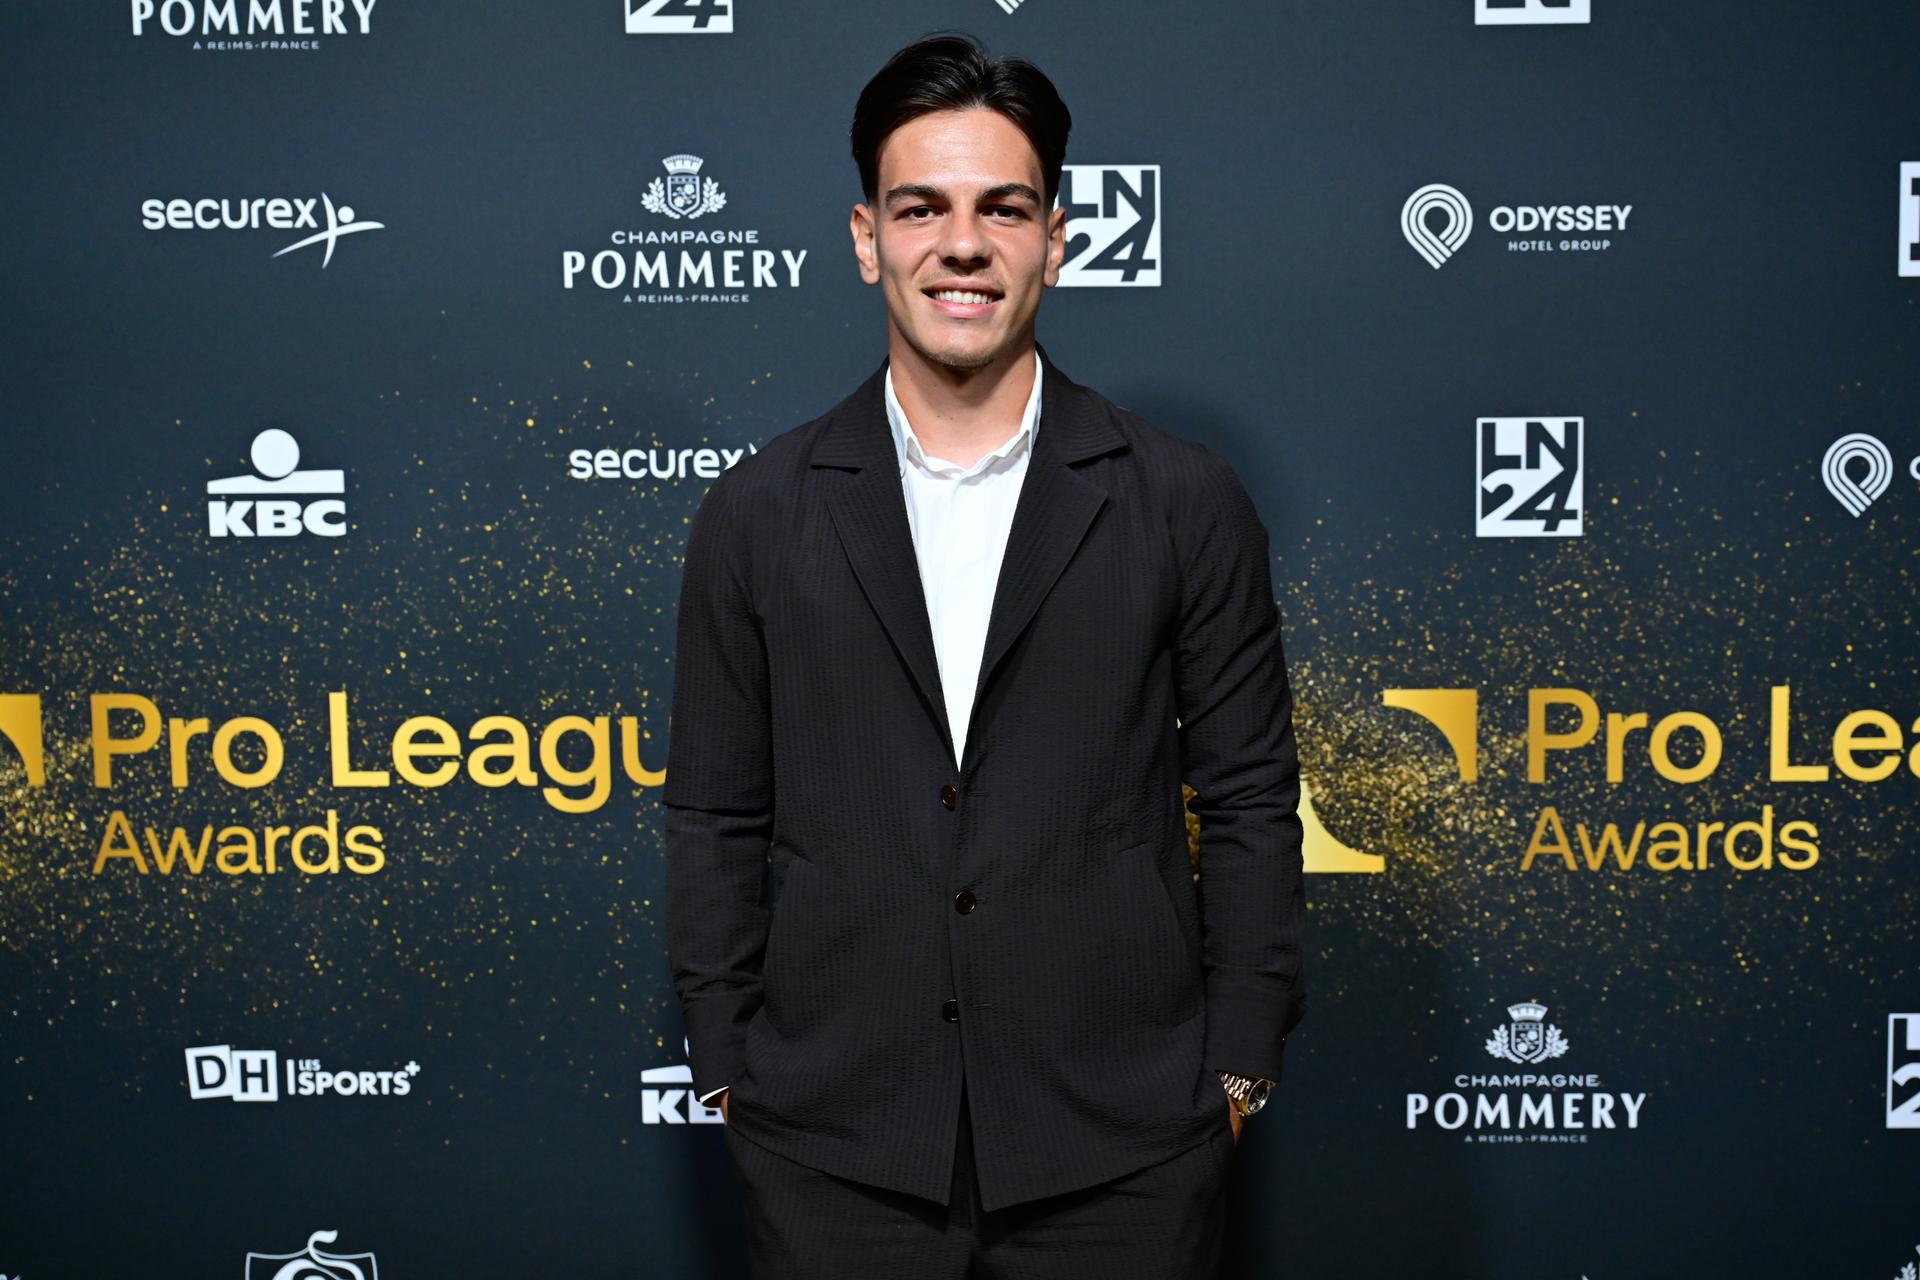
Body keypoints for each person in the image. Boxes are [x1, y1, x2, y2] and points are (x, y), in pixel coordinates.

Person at [664, 30, 1307, 1278]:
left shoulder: (1183, 499)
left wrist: (1239, 1062)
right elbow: (713, 813)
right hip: (833, 1146)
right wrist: (732, 1067)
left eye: (1003, 208)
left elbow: (1247, 800)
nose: (963, 243)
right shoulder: (756, 510)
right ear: (866, 238)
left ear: (1056, 238)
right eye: (923, 207)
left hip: (1124, 1147)